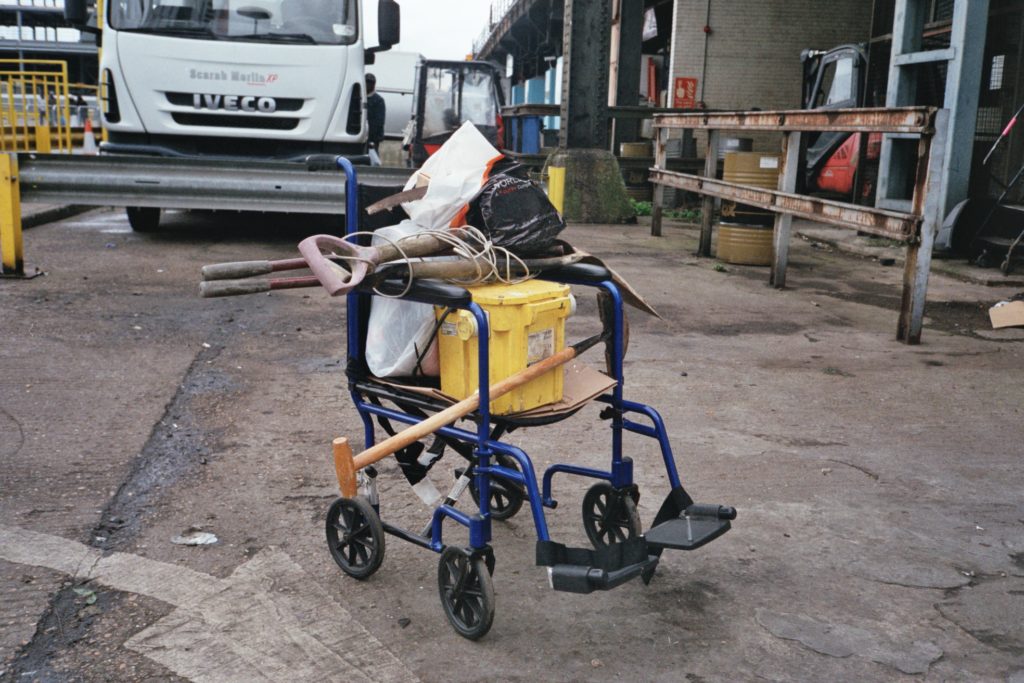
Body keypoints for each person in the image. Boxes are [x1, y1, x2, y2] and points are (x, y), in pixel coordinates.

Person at [365, 73, 385, 165]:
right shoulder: (360, 97)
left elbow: (379, 121)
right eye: (366, 82)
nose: (368, 85)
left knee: (372, 160)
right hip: (363, 135)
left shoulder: (378, 100)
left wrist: (372, 137)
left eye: (370, 83)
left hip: (373, 138)